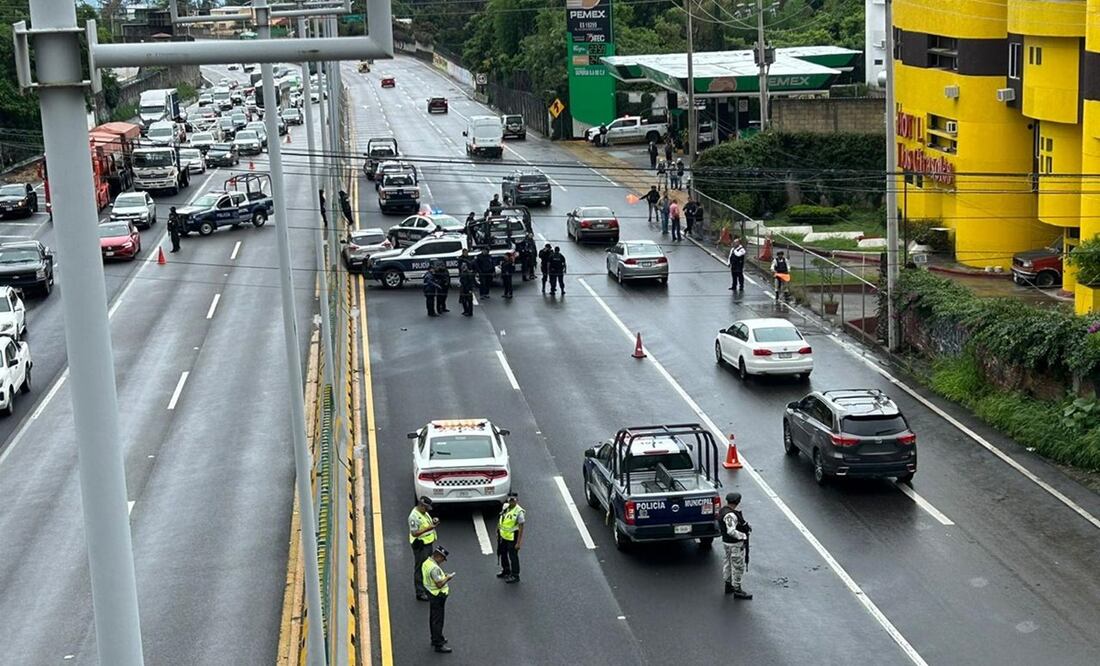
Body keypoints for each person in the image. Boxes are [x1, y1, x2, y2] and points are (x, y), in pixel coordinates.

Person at [718, 492, 752, 599]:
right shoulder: (731, 515)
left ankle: (728, 585)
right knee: (738, 567)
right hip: (735, 545)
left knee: (727, 564)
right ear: (737, 501)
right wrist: (743, 536)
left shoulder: (723, 511)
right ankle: (737, 590)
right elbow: (731, 531)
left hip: (726, 543)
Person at [421, 545, 455, 653]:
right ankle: (438, 643)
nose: (443, 561)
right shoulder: (434, 568)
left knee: (433, 618)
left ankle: (435, 638)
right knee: (438, 621)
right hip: (437, 596)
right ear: (438, 556)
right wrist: (448, 578)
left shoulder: (427, 563)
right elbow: (439, 584)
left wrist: (442, 576)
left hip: (431, 593)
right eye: (443, 559)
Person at [408, 496, 439, 600]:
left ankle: (426, 588)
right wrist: (428, 528)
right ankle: (420, 592)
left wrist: (433, 522)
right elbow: (414, 533)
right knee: (420, 568)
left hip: (427, 543)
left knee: (427, 567)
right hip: (421, 546)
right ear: (421, 505)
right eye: (426, 508)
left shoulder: (423, 513)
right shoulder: (414, 517)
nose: (427, 510)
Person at [496, 491, 525, 583]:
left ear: (517, 500)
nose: (511, 501)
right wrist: (497, 532)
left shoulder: (519, 512)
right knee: (503, 553)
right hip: (503, 536)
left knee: (513, 556)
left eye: (513, 500)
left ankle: (515, 575)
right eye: (510, 500)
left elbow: (521, 528)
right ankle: (506, 570)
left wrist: (518, 542)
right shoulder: (505, 507)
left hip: (513, 537)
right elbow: (501, 520)